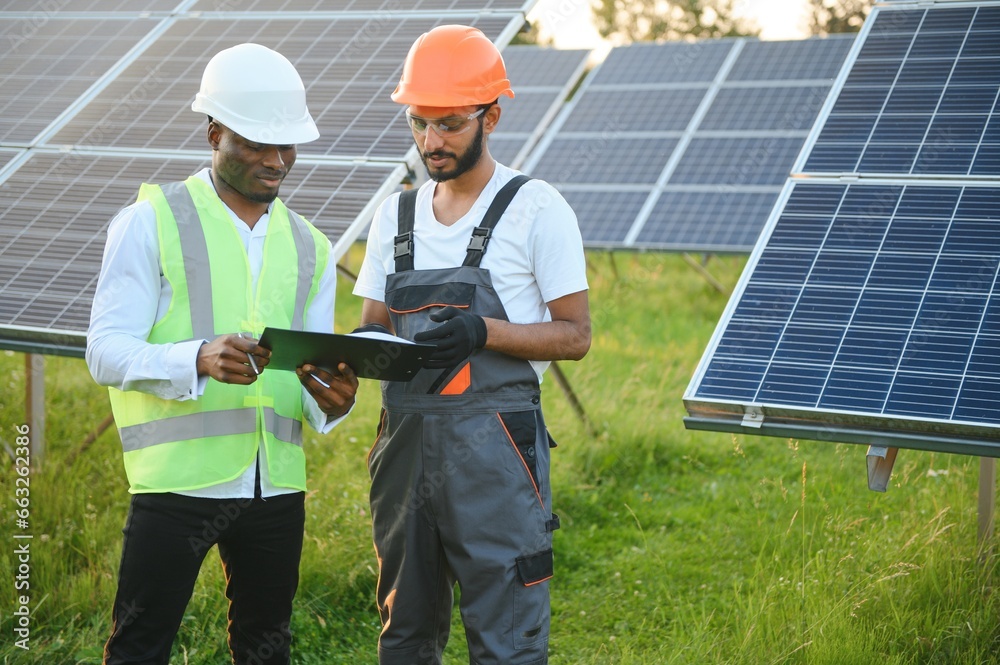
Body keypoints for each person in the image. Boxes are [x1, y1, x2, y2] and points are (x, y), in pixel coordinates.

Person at [86, 43, 358, 665]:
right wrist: (196, 358)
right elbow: (104, 350)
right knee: (140, 645)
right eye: (257, 143)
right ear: (214, 133)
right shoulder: (150, 220)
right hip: (177, 484)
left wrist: (334, 405)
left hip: (277, 485)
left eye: (286, 144)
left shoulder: (311, 246)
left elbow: (309, 371)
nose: (276, 160)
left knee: (267, 648)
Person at [352, 24, 591, 665]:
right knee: (404, 638)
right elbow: (374, 323)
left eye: (451, 124)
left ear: (493, 114)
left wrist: (483, 331)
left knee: (506, 640)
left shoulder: (536, 208)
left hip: (498, 461)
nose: (432, 141)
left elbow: (575, 336)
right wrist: (343, 353)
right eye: (419, 123)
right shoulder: (392, 216)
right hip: (403, 460)